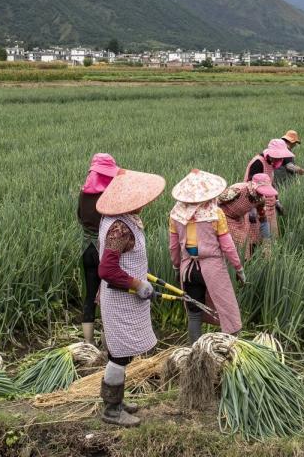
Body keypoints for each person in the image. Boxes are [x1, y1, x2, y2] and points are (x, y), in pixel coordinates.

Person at [95, 168, 166, 427]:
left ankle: (117, 401)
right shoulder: (120, 228)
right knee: (119, 354)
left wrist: (140, 278)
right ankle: (111, 410)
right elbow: (107, 269)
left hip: (125, 298)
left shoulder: (116, 220)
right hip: (121, 299)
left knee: (121, 353)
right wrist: (137, 283)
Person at [168, 169, 247, 343]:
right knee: (228, 311)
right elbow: (228, 246)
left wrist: (176, 266)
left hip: (188, 268)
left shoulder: (176, 213)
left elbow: (173, 246)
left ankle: (194, 351)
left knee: (194, 313)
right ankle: (232, 348)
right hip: (212, 267)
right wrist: (239, 268)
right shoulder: (215, 213)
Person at [77, 153, 120, 345]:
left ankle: (88, 344)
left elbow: (79, 217)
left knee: (89, 295)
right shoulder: (109, 196)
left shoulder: (83, 194)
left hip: (87, 249)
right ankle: (106, 344)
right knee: (107, 297)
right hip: (105, 251)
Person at [244, 139, 294, 239]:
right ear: (270, 154)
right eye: (277, 157)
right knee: (257, 238)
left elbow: (271, 183)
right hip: (257, 205)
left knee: (273, 238)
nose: (279, 160)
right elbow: (250, 185)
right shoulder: (258, 163)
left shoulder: (270, 163)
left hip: (270, 205)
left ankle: (272, 254)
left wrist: (277, 201)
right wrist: (252, 209)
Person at [217, 179, 260, 260]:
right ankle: (235, 265)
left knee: (245, 242)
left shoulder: (260, 197)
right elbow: (218, 202)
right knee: (235, 242)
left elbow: (262, 215)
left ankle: (244, 264)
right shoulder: (238, 190)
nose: (261, 195)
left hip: (239, 218)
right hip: (225, 216)